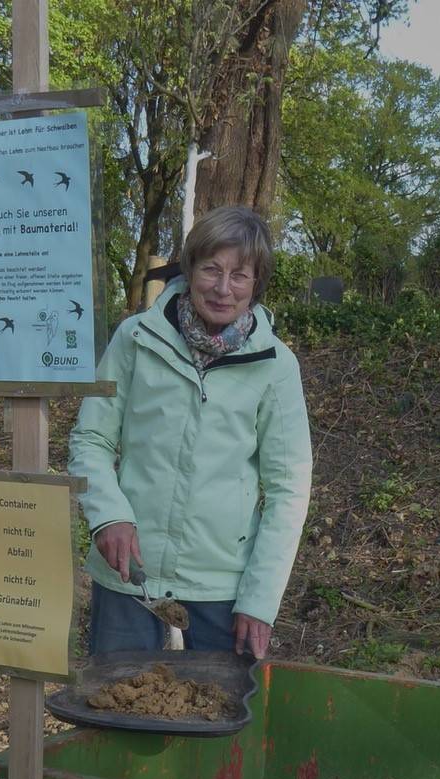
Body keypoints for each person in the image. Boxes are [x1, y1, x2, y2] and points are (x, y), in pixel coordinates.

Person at [68, 205, 312, 659]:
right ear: (190, 268)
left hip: (222, 586)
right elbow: (91, 439)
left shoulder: (275, 366)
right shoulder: (135, 338)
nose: (223, 289)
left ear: (257, 283)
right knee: (120, 713)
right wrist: (108, 515)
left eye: (239, 275)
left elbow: (288, 489)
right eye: (211, 270)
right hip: (129, 573)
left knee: (219, 722)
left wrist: (260, 600)